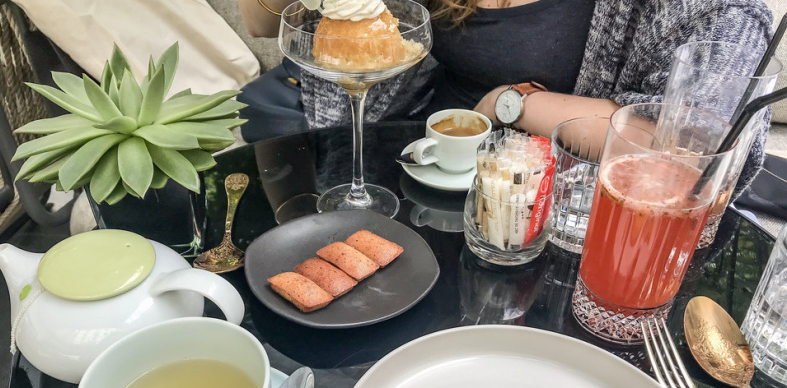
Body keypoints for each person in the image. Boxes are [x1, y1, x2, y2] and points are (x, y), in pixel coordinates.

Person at [239, 0, 773, 195]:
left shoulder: (709, 11)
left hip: (538, 186)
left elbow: (685, 151)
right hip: (409, 148)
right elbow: (261, 21)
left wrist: (510, 104)